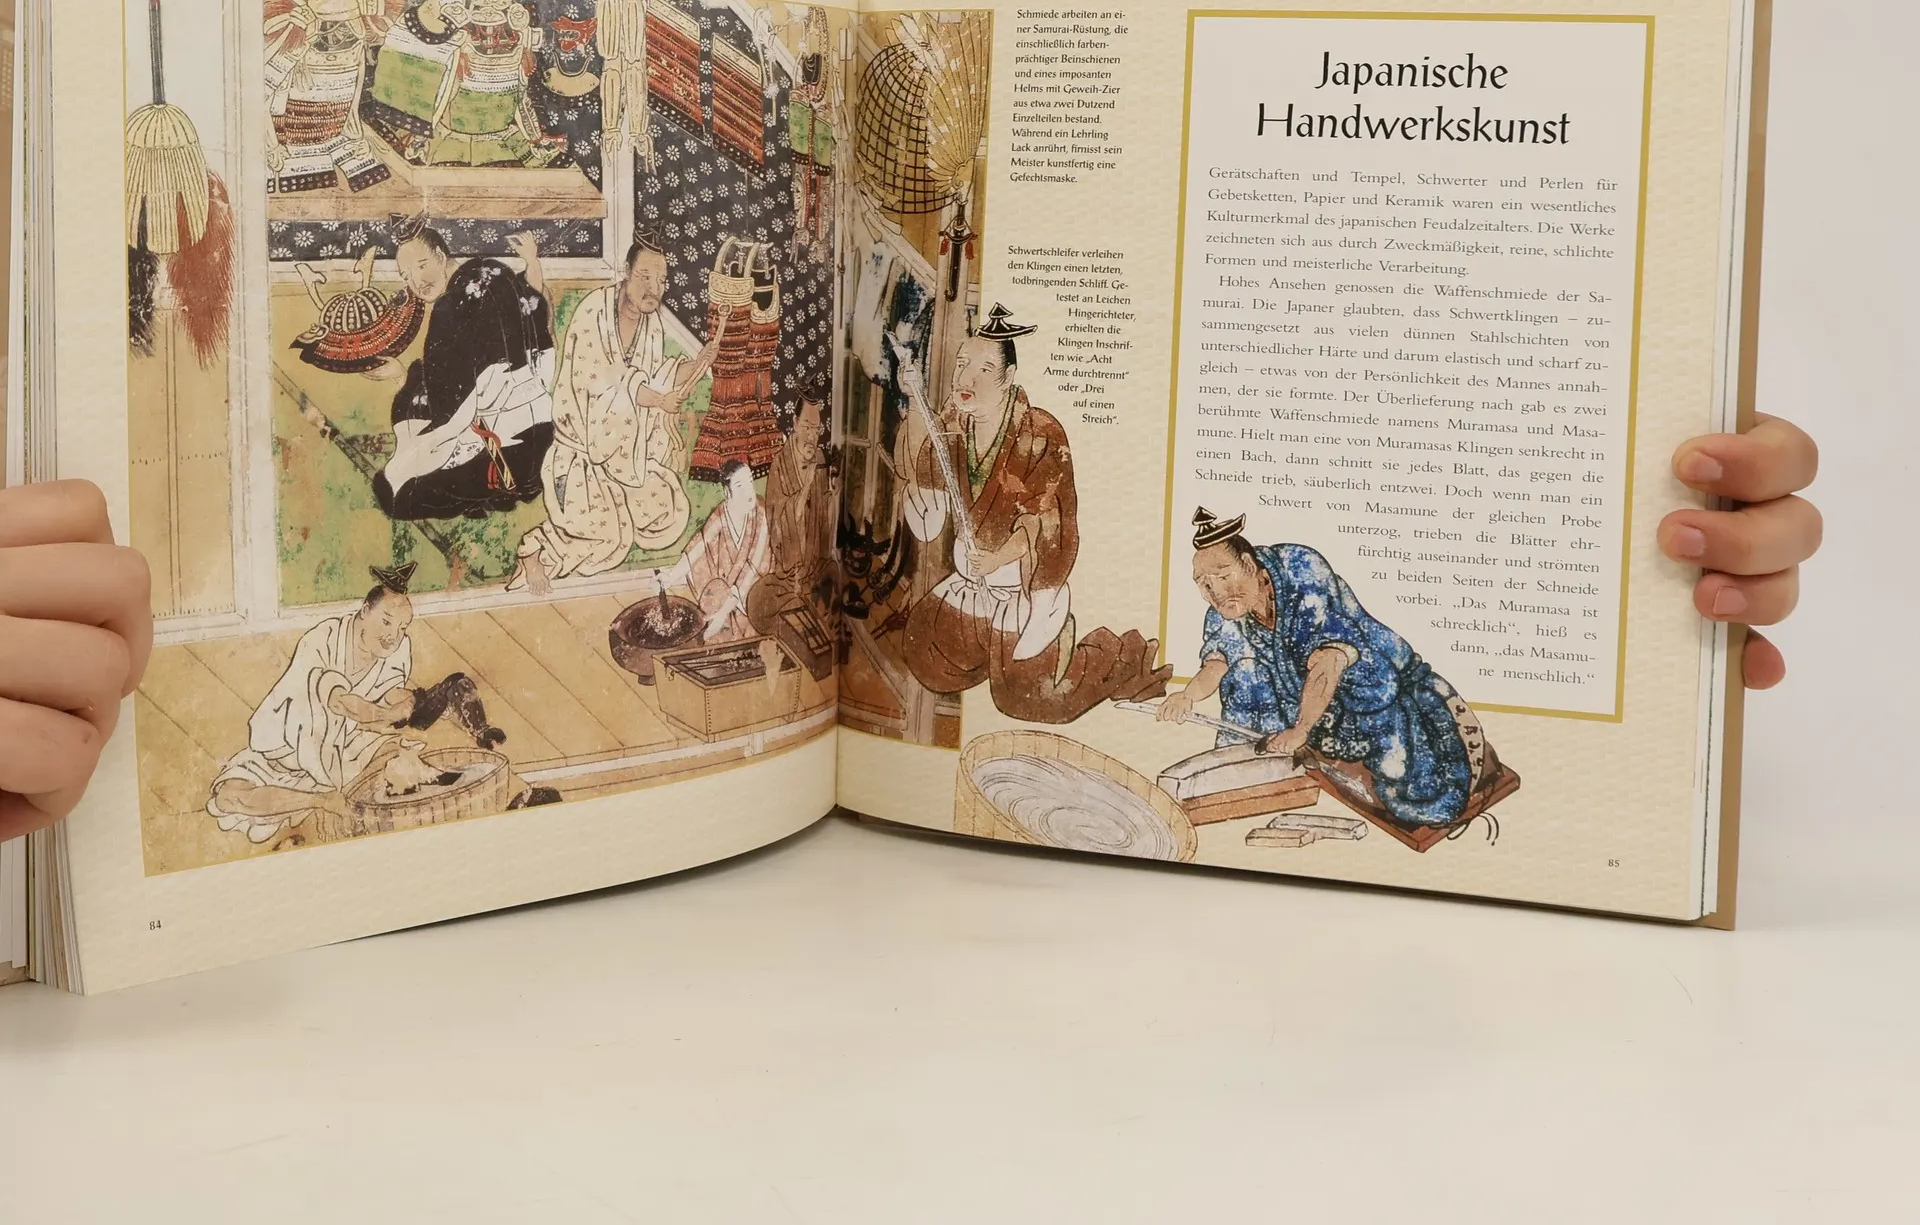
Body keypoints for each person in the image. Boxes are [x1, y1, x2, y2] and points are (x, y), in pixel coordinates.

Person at [0, 418, 1824, 844]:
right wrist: (1211, 695)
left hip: (1377, 708)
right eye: (1208, 592)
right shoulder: (1235, 607)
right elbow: (1242, 673)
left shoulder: (1303, 582)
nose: (1217, 600)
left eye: (1218, 586)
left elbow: (1322, 668)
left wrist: (1624, 543)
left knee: (1387, 759)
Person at [897, 304, 1172, 722]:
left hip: (1017, 583)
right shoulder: (953, 423)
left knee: (1028, 697)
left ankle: (1111, 660)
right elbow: (926, 478)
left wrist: (996, 559)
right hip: (972, 580)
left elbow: (1044, 522)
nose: (966, 379)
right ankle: (991, 653)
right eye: (962, 364)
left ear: (1008, 377)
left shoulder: (1040, 432)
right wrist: (915, 401)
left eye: (984, 369)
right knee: (925, 654)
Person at [1160, 509, 1500, 839]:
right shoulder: (1224, 612)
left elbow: (1330, 659)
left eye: (1222, 577)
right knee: (1244, 675)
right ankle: (1258, 768)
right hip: (1303, 695)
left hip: (1361, 674)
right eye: (1204, 584)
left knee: (1415, 793)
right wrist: (1186, 696)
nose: (1215, 592)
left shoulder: (1300, 568)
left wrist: (1301, 729)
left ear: (1248, 565)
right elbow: (1217, 664)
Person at [205, 566, 508, 844]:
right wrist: (385, 713)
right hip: (283, 754)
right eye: (386, 622)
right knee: (228, 797)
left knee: (402, 763)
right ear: (365, 611)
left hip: (344, 751)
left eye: (402, 627)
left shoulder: (399, 648)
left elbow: (388, 692)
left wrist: (408, 702)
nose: (392, 636)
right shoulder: (323, 639)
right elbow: (341, 703)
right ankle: (318, 801)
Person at [510, 230, 724, 593]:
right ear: (626, 271)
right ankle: (535, 549)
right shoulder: (593, 312)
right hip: (581, 453)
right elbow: (606, 386)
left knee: (669, 509)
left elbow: (659, 375)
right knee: (610, 541)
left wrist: (699, 363)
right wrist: (657, 400)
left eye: (662, 281)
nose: (654, 288)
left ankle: (610, 509)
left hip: (624, 453)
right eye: (645, 276)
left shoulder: (651, 325)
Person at [372, 222, 555, 521]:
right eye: (406, 276)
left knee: (396, 492)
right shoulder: (491, 273)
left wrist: (406, 381)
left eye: (421, 266)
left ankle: (490, 491)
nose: (416, 281)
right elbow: (534, 305)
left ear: (440, 256)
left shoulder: (449, 307)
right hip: (535, 425)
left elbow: (449, 406)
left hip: (508, 441)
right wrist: (532, 263)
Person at [746, 395, 833, 637]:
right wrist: (807, 485)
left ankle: (804, 607)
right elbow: (779, 517)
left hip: (812, 568)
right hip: (787, 571)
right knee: (757, 603)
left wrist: (832, 496)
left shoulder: (820, 459)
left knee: (833, 577)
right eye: (806, 427)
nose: (811, 436)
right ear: (795, 423)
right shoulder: (780, 464)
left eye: (816, 429)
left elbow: (823, 519)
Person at [660, 460, 771, 642]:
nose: (748, 491)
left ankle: (729, 623)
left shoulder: (762, 513)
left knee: (747, 627)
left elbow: (753, 567)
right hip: (730, 586)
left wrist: (722, 613)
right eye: (740, 485)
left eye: (750, 482)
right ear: (727, 492)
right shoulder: (722, 512)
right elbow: (699, 545)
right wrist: (670, 577)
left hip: (756, 585)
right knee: (707, 568)